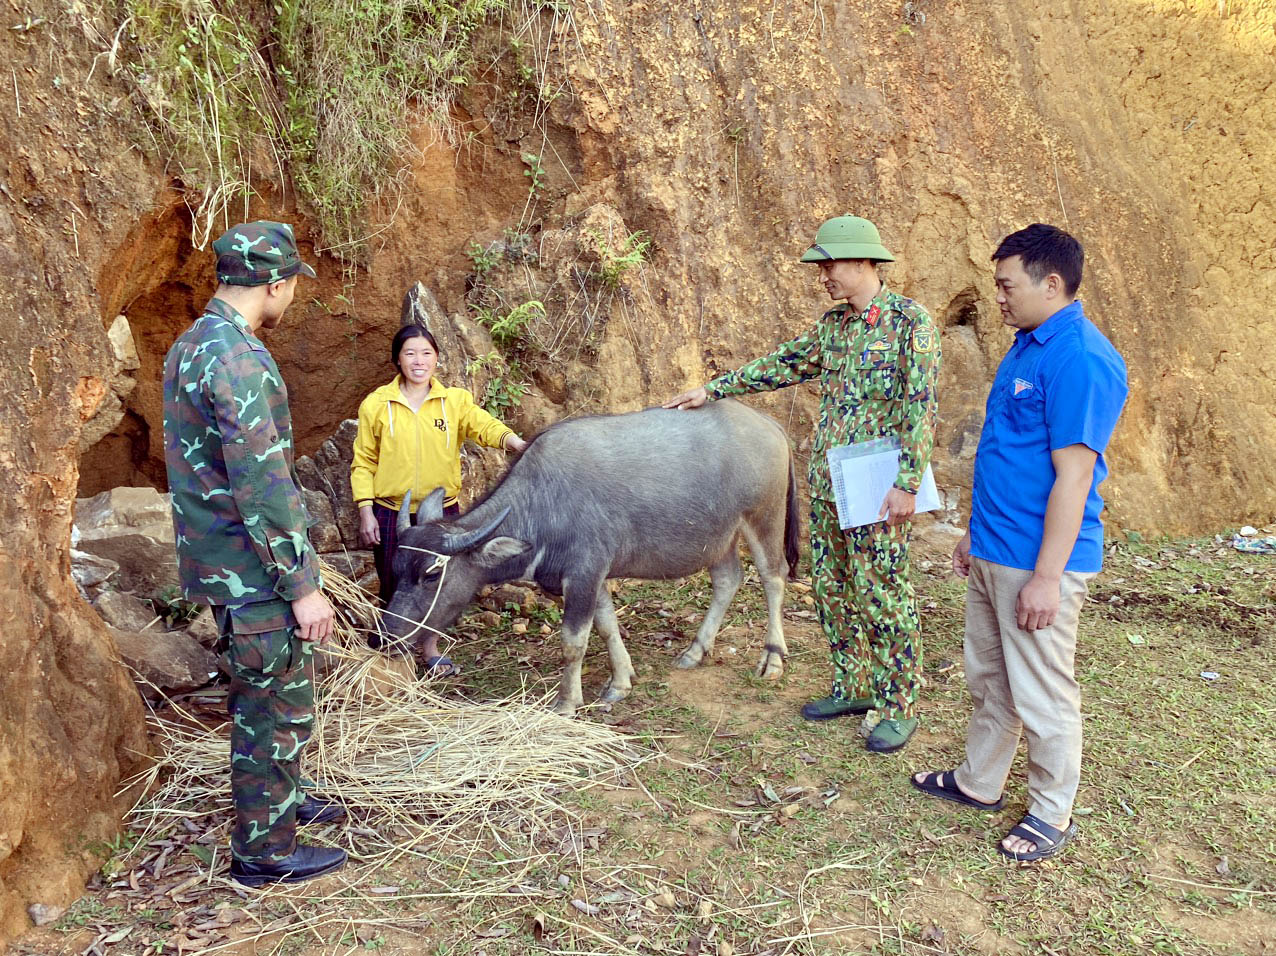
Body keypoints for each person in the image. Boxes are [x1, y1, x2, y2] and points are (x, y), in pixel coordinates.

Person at [665, 215, 940, 754]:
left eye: (830, 264)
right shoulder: (835, 325)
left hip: (882, 484)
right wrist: (713, 389)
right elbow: (785, 364)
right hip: (836, 480)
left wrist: (907, 483)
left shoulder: (911, 323)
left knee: (882, 591)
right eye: (821, 267)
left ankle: (899, 701)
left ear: (865, 263)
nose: (824, 276)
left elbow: (921, 407)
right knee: (834, 588)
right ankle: (854, 685)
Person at [910, 224, 1128, 863]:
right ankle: (980, 782)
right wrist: (975, 535)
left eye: (1007, 285)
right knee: (990, 677)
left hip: (1037, 561)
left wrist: (1046, 577)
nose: (997, 297)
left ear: (1051, 283)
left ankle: (1051, 811)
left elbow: (1075, 475)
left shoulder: (1081, 358)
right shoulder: (1025, 346)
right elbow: (1005, 451)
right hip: (994, 549)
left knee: (1041, 689)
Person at [162, 221, 347, 886]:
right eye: (292, 281)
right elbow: (262, 485)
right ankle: (265, 853)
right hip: (254, 575)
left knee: (265, 696)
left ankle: (284, 802)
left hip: (223, 568)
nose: (292, 292)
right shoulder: (239, 359)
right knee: (274, 704)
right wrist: (301, 584)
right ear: (274, 283)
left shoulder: (193, 345)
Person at [350, 323, 527, 673]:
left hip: (440, 515)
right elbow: (363, 462)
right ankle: (394, 654)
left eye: (426, 353)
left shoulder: (454, 402)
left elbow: (484, 426)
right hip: (391, 512)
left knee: (438, 586)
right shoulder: (376, 404)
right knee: (394, 581)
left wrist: (516, 444)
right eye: (410, 353)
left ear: (436, 359)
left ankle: (430, 650)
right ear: (397, 360)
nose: (419, 361)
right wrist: (365, 511)